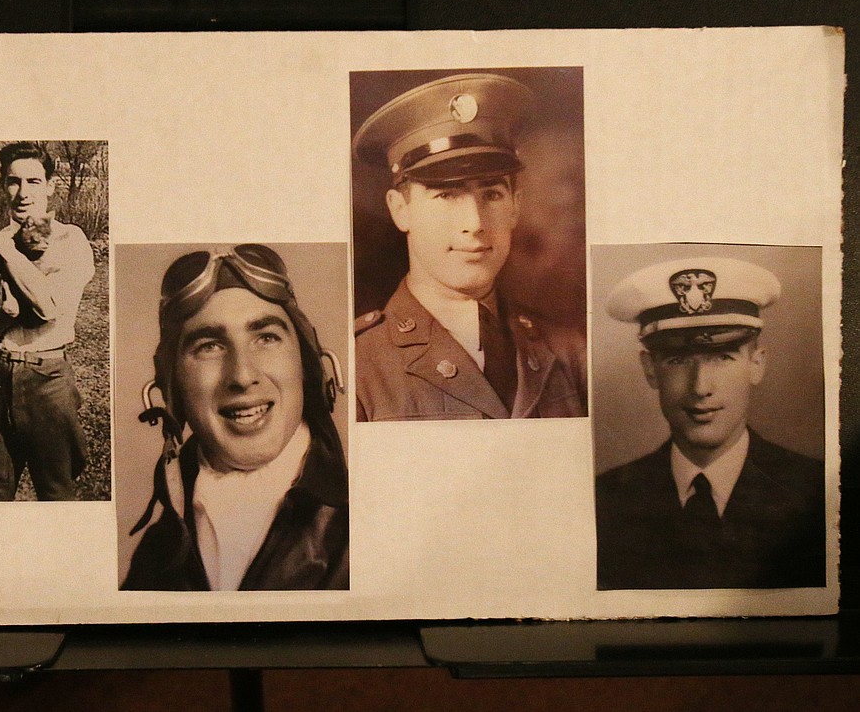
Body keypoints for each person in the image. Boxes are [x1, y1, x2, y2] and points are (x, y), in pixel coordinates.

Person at [351, 73, 586, 422]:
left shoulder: (570, 350)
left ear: (516, 207)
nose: (475, 224)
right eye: (446, 195)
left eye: (491, 194)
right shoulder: (360, 361)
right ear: (400, 210)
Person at [121, 245, 349, 591]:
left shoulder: (371, 522)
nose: (242, 376)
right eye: (209, 346)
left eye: (266, 338)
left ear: (308, 366)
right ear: (171, 387)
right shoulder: (156, 554)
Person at [595, 256, 825, 590]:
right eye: (678, 360)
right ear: (650, 369)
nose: (701, 387)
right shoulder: (607, 500)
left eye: (722, 358)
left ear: (757, 365)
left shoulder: (817, 494)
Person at [0, 142, 94, 501]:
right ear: (3, 185)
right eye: (13, 181)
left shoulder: (70, 240)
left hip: (46, 379)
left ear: (50, 185)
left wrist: (7, 255)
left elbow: (49, 311)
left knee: (56, 493)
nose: (22, 193)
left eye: (33, 181)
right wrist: (3, 313)